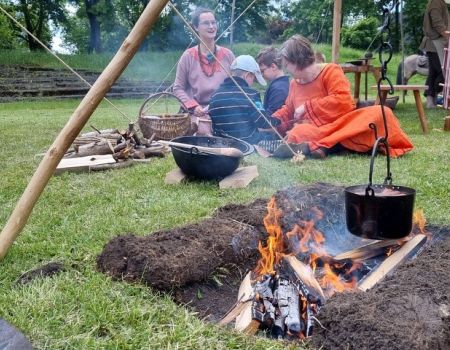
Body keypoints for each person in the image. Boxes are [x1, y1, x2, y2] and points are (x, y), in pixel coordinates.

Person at [271, 35, 414, 159]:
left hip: (343, 125)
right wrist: (274, 119)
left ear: (298, 60)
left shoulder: (330, 71)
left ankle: (327, 146)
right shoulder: (293, 84)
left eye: (287, 64)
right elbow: (288, 109)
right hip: (317, 130)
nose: (285, 69)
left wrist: (308, 106)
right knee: (299, 132)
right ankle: (331, 146)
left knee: (382, 113)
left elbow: (344, 101)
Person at [173, 7, 235, 135]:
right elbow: (178, 88)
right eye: (206, 23)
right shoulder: (188, 56)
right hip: (196, 112)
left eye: (213, 22)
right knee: (202, 130)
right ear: (196, 27)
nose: (211, 26)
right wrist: (194, 106)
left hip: (222, 110)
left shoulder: (228, 55)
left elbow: (235, 86)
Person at [208, 55, 276, 144]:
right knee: (273, 135)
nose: (252, 84)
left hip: (222, 143)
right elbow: (262, 122)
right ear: (248, 75)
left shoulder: (215, 95)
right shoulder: (251, 94)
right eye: (253, 79)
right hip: (247, 143)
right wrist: (278, 121)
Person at [420, 0, 450, 108]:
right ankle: (432, 97)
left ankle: (430, 99)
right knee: (443, 72)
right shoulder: (436, 2)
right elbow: (437, 23)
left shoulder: (439, 3)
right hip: (435, 43)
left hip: (437, 43)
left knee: (433, 73)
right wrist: (447, 35)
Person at [256, 47, 290, 116]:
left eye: (262, 71)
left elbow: (272, 115)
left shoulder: (279, 89)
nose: (262, 75)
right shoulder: (281, 84)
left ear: (273, 66)